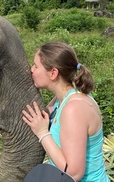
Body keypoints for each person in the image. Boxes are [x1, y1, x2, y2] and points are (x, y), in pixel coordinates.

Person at [22, 41, 110, 182]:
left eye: (36, 66)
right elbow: (42, 115)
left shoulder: (74, 109)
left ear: (53, 73)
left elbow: (73, 173)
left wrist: (42, 133)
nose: (31, 70)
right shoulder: (63, 98)